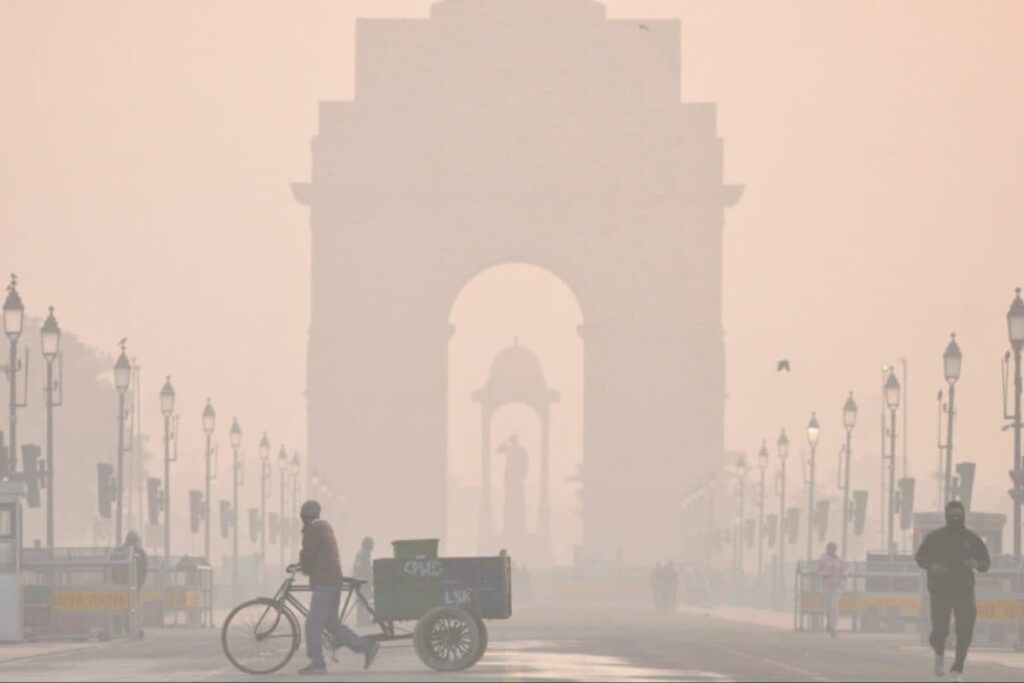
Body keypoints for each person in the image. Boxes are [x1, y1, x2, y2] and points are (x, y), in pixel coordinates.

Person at [294, 500, 379, 675]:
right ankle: (366, 646)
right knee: (331, 624)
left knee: (313, 624)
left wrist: (301, 566)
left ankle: (317, 663)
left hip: (324, 582)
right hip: (333, 581)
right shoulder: (325, 527)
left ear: (304, 516)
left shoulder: (313, 529)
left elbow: (308, 555)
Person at [915, 500, 990, 682]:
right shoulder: (935, 537)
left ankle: (957, 669)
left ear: (963, 516)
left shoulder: (971, 539)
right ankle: (939, 651)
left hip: (964, 590)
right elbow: (920, 557)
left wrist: (976, 564)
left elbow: (986, 562)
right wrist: (932, 566)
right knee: (939, 630)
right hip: (940, 590)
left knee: (965, 630)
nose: (955, 519)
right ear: (946, 516)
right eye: (952, 516)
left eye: (959, 516)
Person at [816, 542, 844, 637]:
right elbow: (818, 571)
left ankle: (833, 628)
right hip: (826, 587)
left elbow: (843, 571)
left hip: (837, 586)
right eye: (831, 548)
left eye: (834, 548)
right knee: (828, 608)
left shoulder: (839, 560)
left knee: (834, 606)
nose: (833, 550)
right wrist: (825, 573)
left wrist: (844, 575)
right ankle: (830, 623)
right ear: (827, 549)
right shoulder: (823, 559)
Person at [352, 537, 374, 626]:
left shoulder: (359, 552)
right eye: (372, 545)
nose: (373, 547)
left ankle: (361, 621)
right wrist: (371, 579)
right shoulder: (366, 553)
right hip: (363, 581)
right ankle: (365, 622)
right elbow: (366, 568)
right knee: (365, 601)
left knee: (361, 601)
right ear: (368, 545)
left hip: (357, 580)